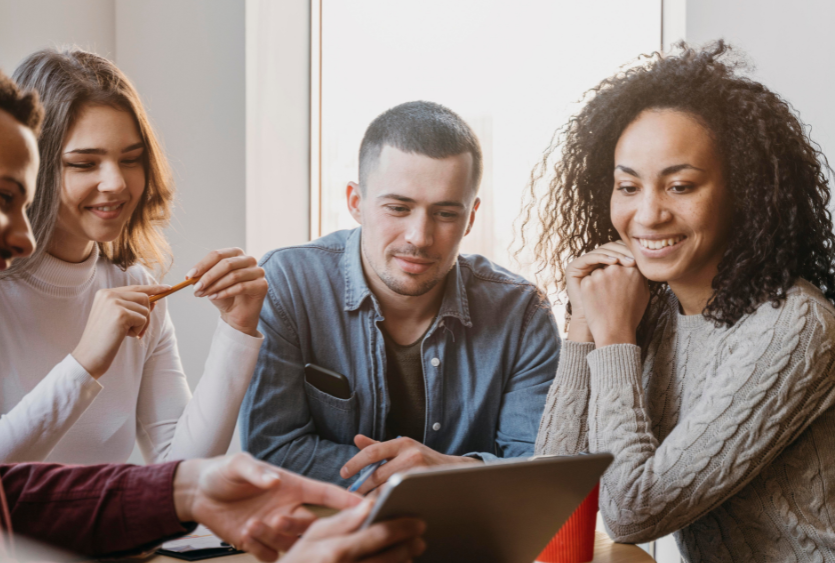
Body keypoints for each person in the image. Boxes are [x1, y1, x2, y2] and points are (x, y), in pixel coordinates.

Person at [0, 44, 425, 563]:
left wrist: (185, 485)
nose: (20, 236)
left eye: (130, 157)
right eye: (4, 194)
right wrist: (85, 365)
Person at [530, 41, 835, 561]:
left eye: (680, 186)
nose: (648, 215)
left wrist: (616, 339)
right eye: (628, 186)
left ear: (743, 188)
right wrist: (586, 324)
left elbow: (632, 514)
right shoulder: (647, 306)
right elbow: (549, 497)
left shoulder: (796, 327)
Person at [0, 48, 265, 465]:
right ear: (28, 169)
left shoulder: (136, 289)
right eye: (84, 164)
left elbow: (180, 469)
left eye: (131, 159)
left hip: (112, 533)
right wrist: (84, 363)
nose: (116, 182)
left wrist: (237, 330)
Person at [241, 100, 561, 490]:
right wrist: (416, 475)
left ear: (471, 217)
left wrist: (440, 470)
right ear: (355, 202)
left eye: (445, 214)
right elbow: (271, 452)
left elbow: (537, 467)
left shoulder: (522, 312)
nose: (419, 237)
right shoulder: (288, 283)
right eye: (398, 208)